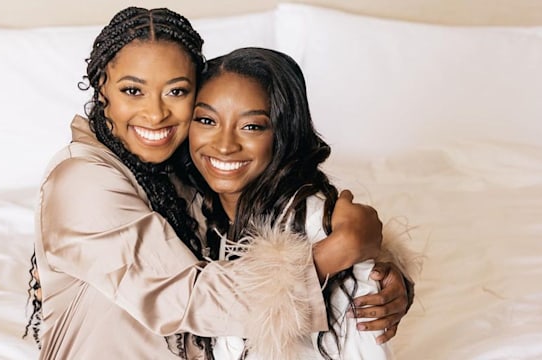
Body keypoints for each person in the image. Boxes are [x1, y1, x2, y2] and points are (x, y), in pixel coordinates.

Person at [24, 7, 412, 359]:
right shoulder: (81, 182)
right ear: (99, 87)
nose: (156, 113)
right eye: (132, 90)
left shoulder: (180, 170)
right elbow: (188, 298)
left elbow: (258, 229)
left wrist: (378, 280)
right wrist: (335, 253)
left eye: (176, 91)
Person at [185, 47, 419, 359]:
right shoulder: (187, 206)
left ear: (283, 133)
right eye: (206, 120)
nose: (225, 145)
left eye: (252, 126)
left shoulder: (320, 227)